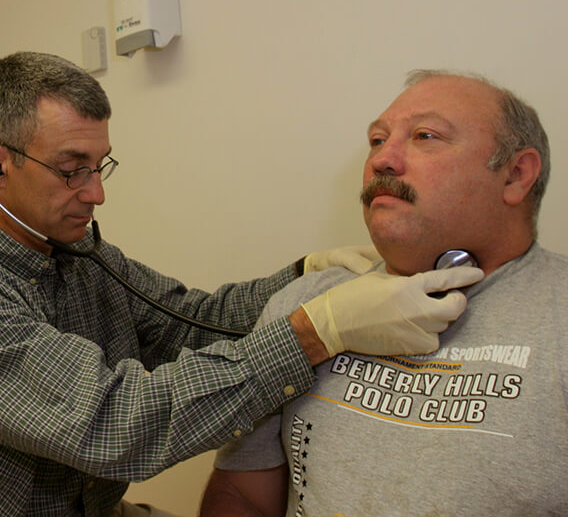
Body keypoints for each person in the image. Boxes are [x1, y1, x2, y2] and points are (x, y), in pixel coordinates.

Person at [0, 53, 482, 517]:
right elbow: (116, 424)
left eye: (99, 165)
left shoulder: (81, 253)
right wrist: (315, 331)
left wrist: (304, 275)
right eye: (71, 170)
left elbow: (191, 320)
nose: (96, 193)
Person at [200, 70, 566, 517]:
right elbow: (240, 497)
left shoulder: (558, 315)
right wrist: (316, 328)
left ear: (516, 175)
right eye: (377, 140)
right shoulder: (305, 308)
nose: (382, 160)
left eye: (425, 136)